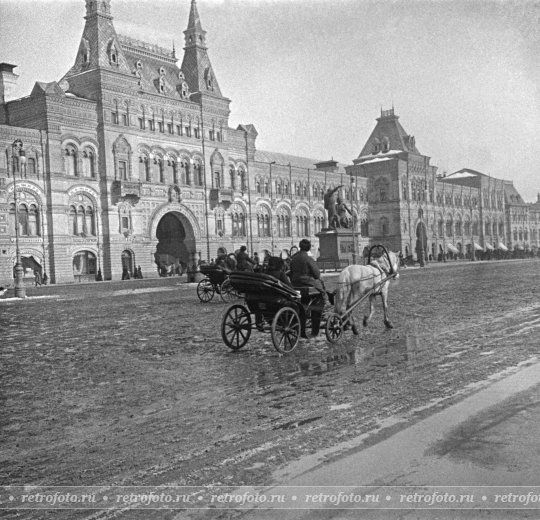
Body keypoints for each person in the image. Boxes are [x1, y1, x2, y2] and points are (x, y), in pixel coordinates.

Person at [289, 239, 331, 311]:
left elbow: (291, 271)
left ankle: (304, 302)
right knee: (321, 287)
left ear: (300, 246)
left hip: (295, 281)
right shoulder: (308, 259)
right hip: (307, 281)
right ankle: (326, 302)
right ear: (309, 248)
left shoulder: (293, 259)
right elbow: (317, 274)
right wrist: (316, 277)